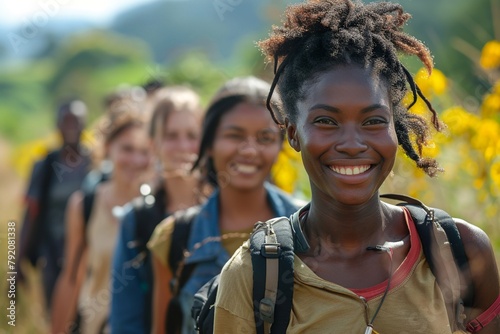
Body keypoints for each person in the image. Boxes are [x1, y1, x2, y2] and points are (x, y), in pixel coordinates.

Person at [213, 1, 500, 333]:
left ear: (397, 127)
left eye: (373, 121)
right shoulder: (254, 275)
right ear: (293, 134)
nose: (352, 144)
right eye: (326, 121)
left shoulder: (459, 250)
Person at [147, 76, 304, 334]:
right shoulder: (174, 238)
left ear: (280, 145)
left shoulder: (310, 226)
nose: (250, 150)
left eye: (265, 138)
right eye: (234, 135)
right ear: (208, 144)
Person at [110, 86, 205, 334]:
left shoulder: (227, 208)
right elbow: (125, 315)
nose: (183, 145)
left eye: (192, 135)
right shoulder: (137, 219)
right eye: (171, 135)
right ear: (153, 144)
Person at [51, 100, 152, 334]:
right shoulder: (84, 205)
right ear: (108, 148)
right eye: (127, 149)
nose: (136, 160)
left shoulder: (158, 208)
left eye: (145, 151)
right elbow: (71, 277)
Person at [17, 99, 91, 314]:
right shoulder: (45, 166)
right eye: (66, 121)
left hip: (88, 257)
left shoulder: (96, 162)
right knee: (58, 317)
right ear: (57, 125)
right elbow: (30, 215)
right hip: (52, 256)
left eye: (77, 121)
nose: (72, 127)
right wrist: (16, 264)